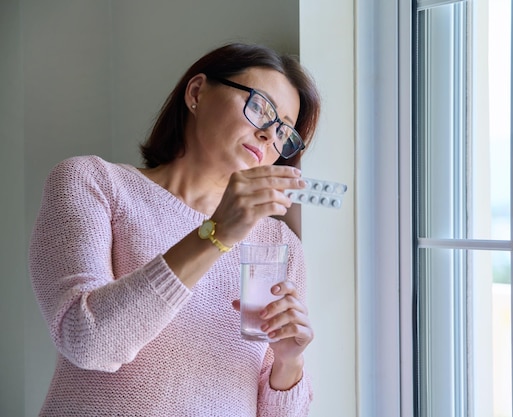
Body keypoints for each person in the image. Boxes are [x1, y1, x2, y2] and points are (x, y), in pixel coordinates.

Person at [29, 42, 321, 417]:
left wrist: (289, 361)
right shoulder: (93, 183)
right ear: (197, 92)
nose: (269, 136)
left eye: (284, 131)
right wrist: (217, 233)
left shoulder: (280, 244)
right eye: (261, 108)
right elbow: (89, 344)